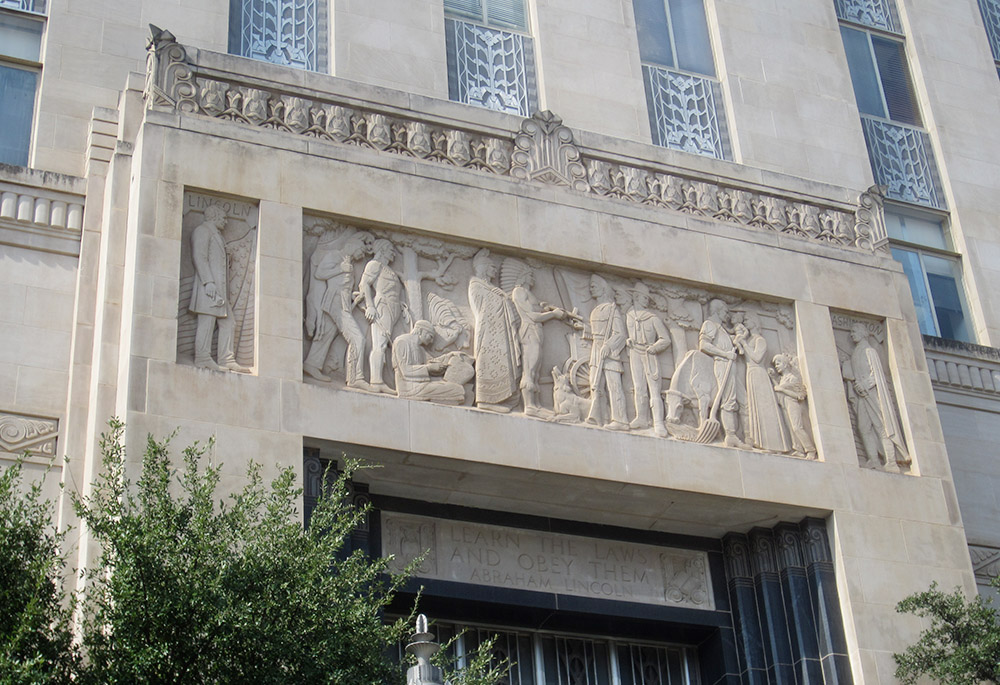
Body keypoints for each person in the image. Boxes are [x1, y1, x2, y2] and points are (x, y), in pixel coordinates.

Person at [302, 230, 369, 386]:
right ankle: (356, 378)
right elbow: (320, 273)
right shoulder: (335, 256)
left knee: (325, 334)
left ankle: (311, 364)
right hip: (335, 303)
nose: (361, 256)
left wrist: (353, 296)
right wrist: (341, 269)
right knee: (358, 338)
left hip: (343, 302)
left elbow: (343, 285)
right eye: (360, 251)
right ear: (353, 246)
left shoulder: (348, 262)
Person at [189, 205, 248, 372]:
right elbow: (199, 257)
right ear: (214, 217)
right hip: (209, 288)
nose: (226, 221)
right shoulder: (202, 231)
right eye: (223, 218)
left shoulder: (217, 236)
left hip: (220, 291)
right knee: (206, 322)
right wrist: (208, 282)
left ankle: (226, 358)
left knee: (229, 323)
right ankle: (202, 358)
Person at [845, 322, 910, 468]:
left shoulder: (869, 351)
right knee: (863, 427)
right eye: (851, 332)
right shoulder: (856, 352)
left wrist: (865, 385)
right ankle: (873, 459)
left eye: (854, 331)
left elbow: (877, 375)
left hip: (873, 395)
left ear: (862, 333)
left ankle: (891, 461)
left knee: (881, 426)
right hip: (862, 395)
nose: (851, 334)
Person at [508, 259, 567, 416]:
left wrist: (545, 308)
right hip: (529, 332)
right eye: (530, 275)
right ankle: (529, 406)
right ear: (524, 276)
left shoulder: (528, 293)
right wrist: (553, 314)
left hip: (536, 333)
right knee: (530, 369)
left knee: (536, 371)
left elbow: (536, 312)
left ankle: (536, 404)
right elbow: (532, 316)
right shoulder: (519, 291)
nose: (533, 279)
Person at [468, 249, 520, 412]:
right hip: (489, 333)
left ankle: (503, 398)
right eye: (491, 266)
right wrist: (501, 298)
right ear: (483, 267)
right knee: (488, 362)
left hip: (499, 334)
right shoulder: (476, 285)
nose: (494, 270)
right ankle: (486, 400)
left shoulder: (490, 287)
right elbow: (484, 308)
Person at [356, 238, 405, 393]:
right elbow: (364, 284)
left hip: (394, 309)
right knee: (380, 344)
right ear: (383, 249)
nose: (393, 253)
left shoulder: (388, 268)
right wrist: (370, 306)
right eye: (391, 250)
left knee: (389, 344)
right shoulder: (375, 264)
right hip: (382, 306)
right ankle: (376, 381)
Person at [737, 313, 789, 452]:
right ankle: (761, 443)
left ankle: (774, 445)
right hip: (751, 374)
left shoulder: (760, 340)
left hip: (759, 374)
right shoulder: (750, 339)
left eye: (747, 319)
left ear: (754, 322)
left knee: (765, 409)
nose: (745, 321)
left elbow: (757, 357)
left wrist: (744, 343)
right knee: (756, 409)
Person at [626, 281, 671, 436]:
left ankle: (658, 423)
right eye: (644, 298)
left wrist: (654, 348)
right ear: (637, 297)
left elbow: (665, 339)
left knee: (654, 390)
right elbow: (630, 335)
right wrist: (629, 341)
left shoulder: (653, 318)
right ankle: (641, 418)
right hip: (634, 353)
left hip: (649, 354)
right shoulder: (629, 315)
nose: (647, 301)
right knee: (639, 387)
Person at [698, 299, 745, 447]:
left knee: (733, 400)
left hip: (729, 364)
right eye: (725, 311)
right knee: (728, 400)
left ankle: (739, 436)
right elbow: (704, 345)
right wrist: (725, 354)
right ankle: (730, 435)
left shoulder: (721, 328)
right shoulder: (710, 324)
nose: (727, 315)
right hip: (722, 363)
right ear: (717, 310)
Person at [585, 276, 628, 431]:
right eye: (590, 286)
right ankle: (599, 417)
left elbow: (620, 333)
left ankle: (621, 420)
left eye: (594, 286)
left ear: (603, 288)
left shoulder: (611, 309)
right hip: (596, 351)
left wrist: (609, 346)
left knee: (614, 385)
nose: (591, 289)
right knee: (595, 385)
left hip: (609, 354)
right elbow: (596, 333)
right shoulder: (595, 310)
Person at [392, 320, 465, 404]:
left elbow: (432, 362)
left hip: (422, 384)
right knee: (456, 389)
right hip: (409, 387)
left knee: (454, 386)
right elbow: (405, 371)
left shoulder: (421, 349)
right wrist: (428, 368)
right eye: (430, 336)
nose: (431, 341)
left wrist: (449, 356)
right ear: (420, 331)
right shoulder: (403, 341)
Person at [771, 353, 817, 458]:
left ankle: (810, 450)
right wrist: (773, 377)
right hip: (785, 404)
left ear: (785, 364)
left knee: (797, 427)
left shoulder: (792, 378)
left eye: (778, 363)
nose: (776, 366)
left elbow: (799, 396)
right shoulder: (783, 379)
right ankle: (799, 449)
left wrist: (782, 389)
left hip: (793, 403)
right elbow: (778, 388)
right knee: (791, 427)